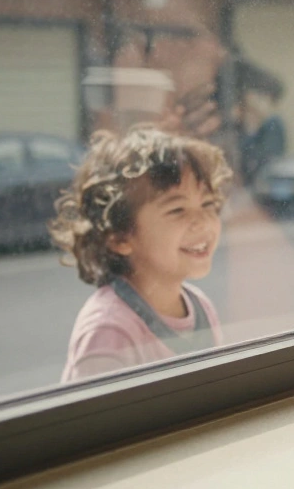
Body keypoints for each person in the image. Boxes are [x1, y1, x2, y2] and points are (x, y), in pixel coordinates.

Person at [51, 126, 231, 382]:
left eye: (208, 204)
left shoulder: (201, 307)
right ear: (120, 237)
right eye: (177, 209)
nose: (202, 222)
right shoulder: (109, 330)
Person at [233, 56, 287, 185]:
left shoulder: (272, 125)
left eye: (268, 100)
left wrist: (251, 129)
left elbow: (263, 167)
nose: (263, 105)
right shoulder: (234, 121)